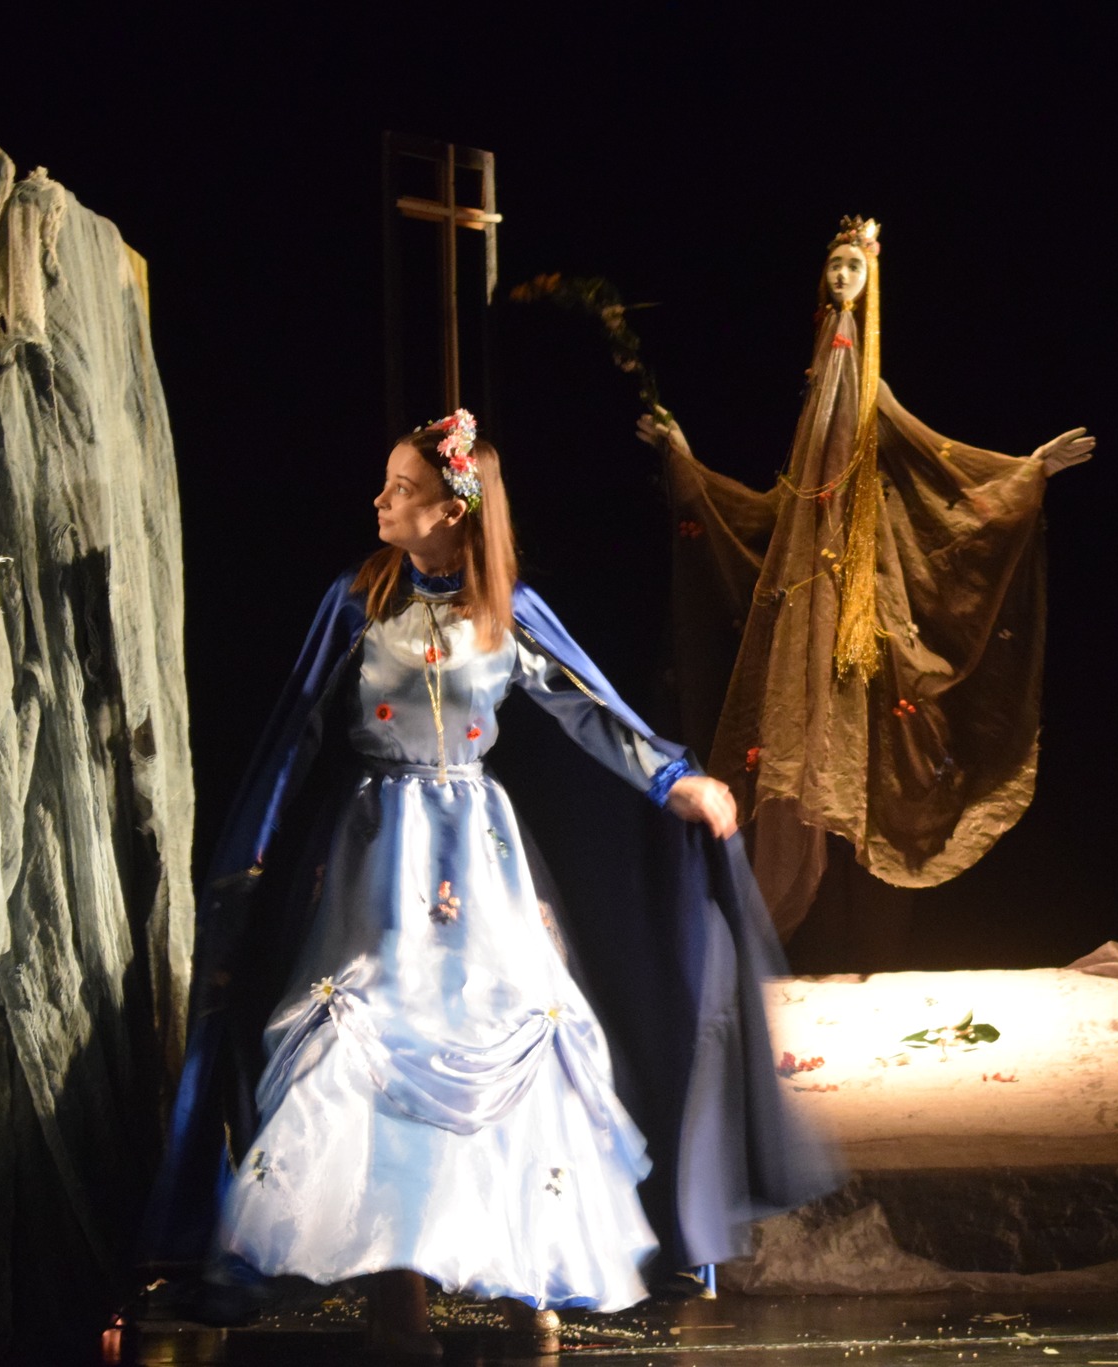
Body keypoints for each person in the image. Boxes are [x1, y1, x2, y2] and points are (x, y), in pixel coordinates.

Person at [145, 413, 836, 1356]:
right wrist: (248, 855)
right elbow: (294, 730)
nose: (380, 500)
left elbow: (591, 710)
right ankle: (398, 1289)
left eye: (401, 489)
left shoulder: (508, 612)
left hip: (476, 847)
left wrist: (675, 780)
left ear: (452, 512)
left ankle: (528, 1275)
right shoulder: (356, 604)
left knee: (511, 1042)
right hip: (379, 856)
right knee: (373, 1042)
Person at [640, 217, 1095, 967]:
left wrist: (1029, 470)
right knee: (797, 775)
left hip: (862, 611)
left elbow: (944, 468)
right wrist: (687, 461)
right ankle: (788, 948)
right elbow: (784, 511)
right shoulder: (819, 390)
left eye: (854, 266)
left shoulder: (865, 390)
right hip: (806, 611)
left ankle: (870, 951)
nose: (842, 275)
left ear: (870, 280)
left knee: (870, 765)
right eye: (835, 265)